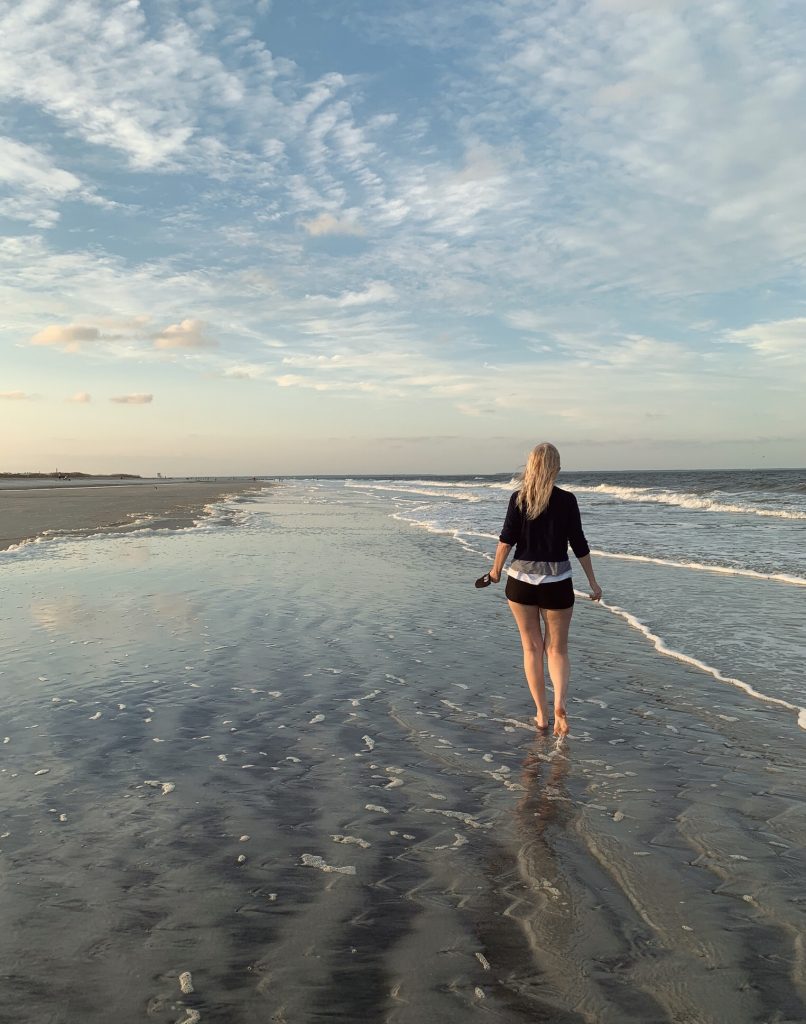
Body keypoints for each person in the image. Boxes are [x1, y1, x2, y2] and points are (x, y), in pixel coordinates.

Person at [488, 443, 601, 737]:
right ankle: (560, 705)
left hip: (520, 584)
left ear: (531, 467)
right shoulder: (567, 500)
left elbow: (505, 540)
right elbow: (579, 544)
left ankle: (541, 714)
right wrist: (592, 582)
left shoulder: (518, 499)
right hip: (558, 583)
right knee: (557, 649)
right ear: (556, 469)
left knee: (531, 648)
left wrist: (496, 571)